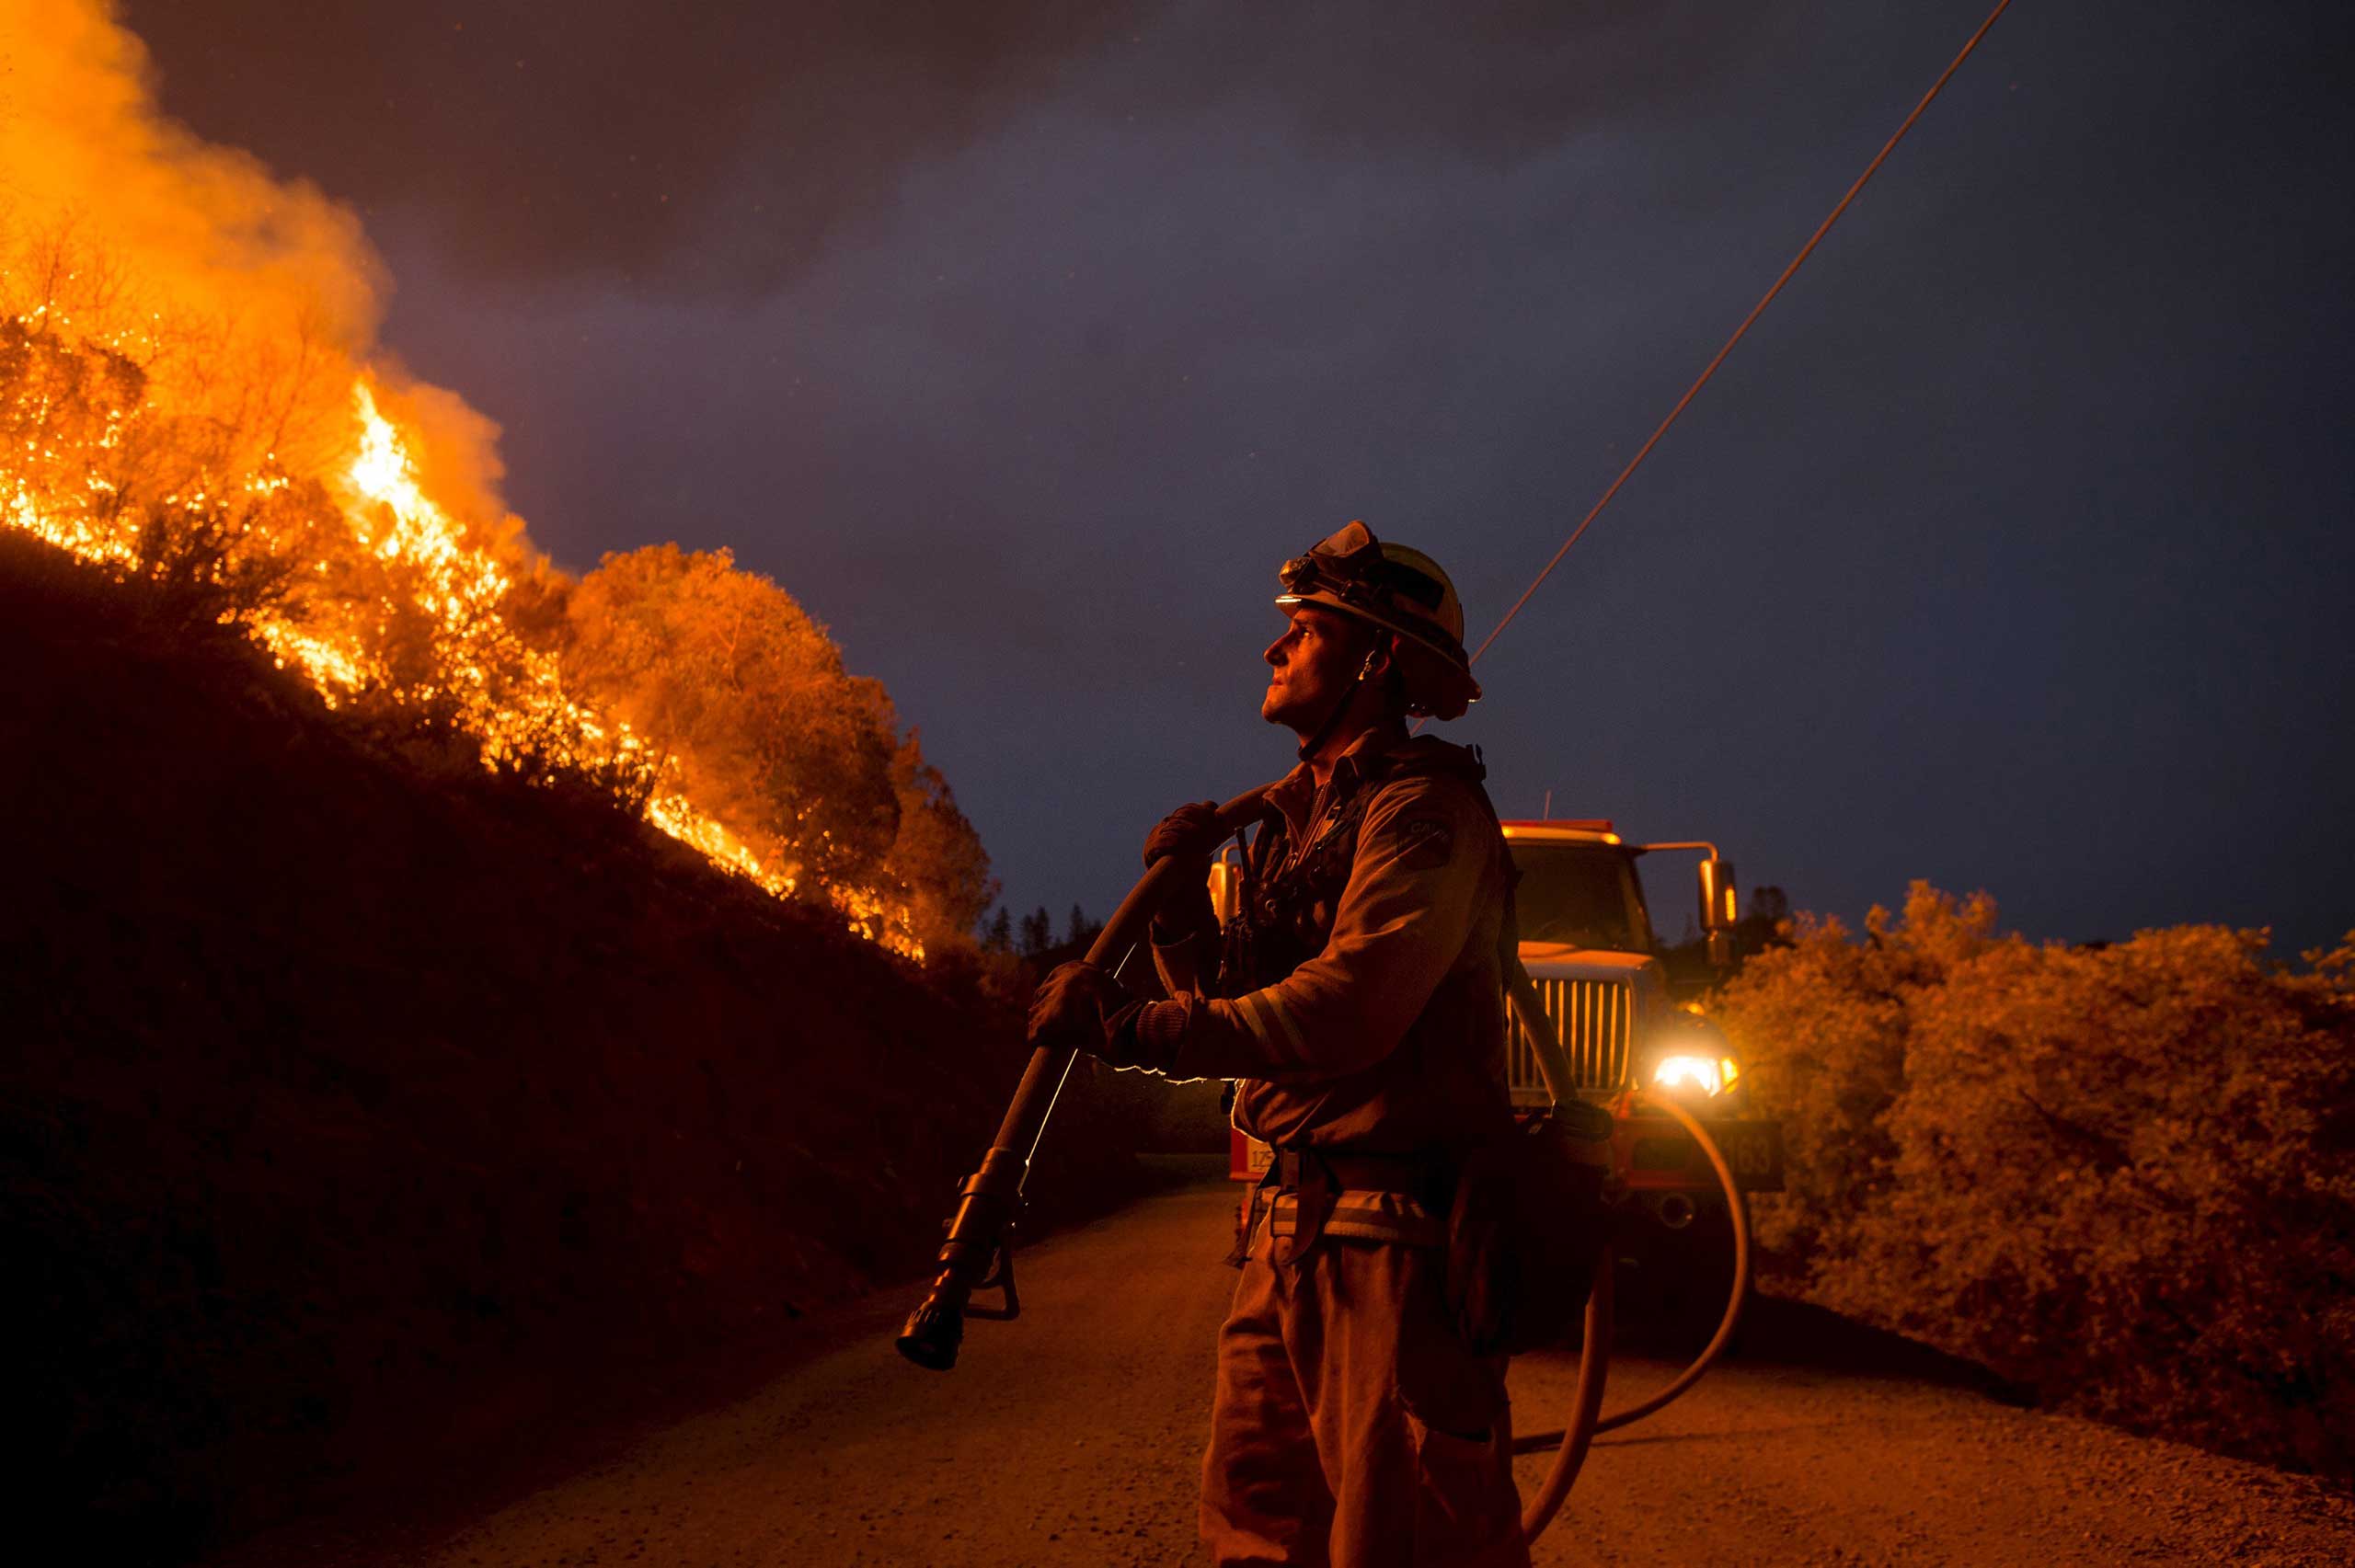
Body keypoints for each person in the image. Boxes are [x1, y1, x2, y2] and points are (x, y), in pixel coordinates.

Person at [1028, 521, 1529, 1568]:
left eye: (1306, 630)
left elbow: (1348, 1008)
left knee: (1402, 1539)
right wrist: (1178, 917)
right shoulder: (1291, 826)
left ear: (1377, 659)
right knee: (1255, 1525)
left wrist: (1128, 1027)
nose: (1273, 647)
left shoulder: (1424, 813)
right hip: (1288, 1231)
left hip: (1391, 1241)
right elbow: (1231, 1004)